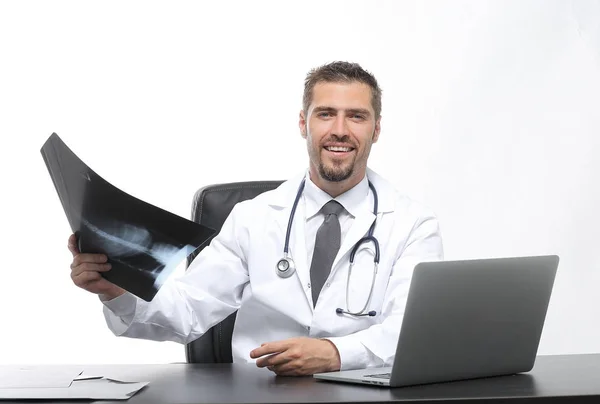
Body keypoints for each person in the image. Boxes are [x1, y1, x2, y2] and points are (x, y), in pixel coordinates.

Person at [68, 61, 443, 376]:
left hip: (362, 397)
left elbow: (412, 334)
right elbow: (187, 310)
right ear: (303, 123)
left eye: (356, 116)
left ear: (376, 129)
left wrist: (333, 353)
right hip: (258, 395)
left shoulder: (412, 224)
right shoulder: (253, 217)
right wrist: (116, 290)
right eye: (325, 114)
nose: (340, 130)